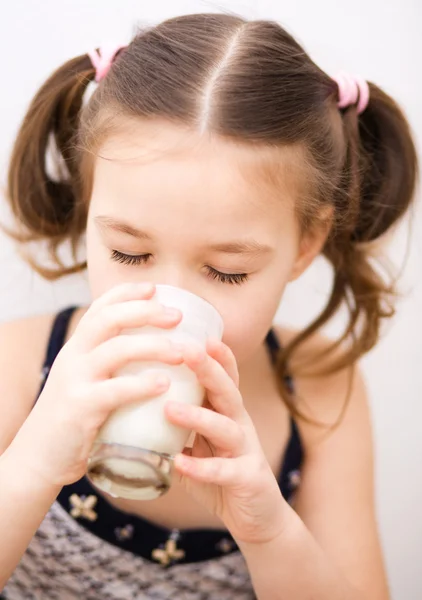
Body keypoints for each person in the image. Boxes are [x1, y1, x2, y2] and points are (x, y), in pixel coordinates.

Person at [0, 11, 417, 600]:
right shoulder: (19, 367)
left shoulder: (320, 390)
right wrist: (33, 464)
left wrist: (268, 531)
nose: (171, 310)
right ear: (89, 209)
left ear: (306, 244)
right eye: (129, 253)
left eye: (228, 270)